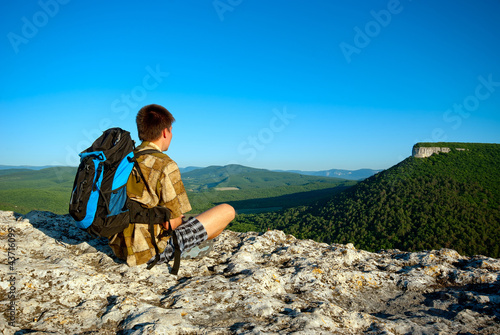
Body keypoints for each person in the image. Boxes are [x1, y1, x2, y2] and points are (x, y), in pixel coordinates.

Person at [108, 104, 235, 268]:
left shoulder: (123, 160)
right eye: (171, 130)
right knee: (226, 211)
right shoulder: (165, 164)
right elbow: (171, 224)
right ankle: (193, 247)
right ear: (165, 132)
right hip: (147, 252)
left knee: (202, 226)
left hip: (117, 245)